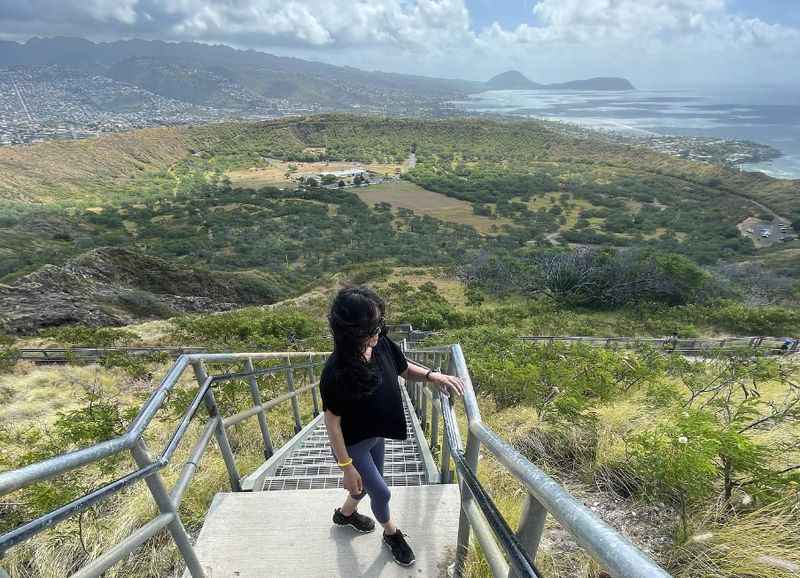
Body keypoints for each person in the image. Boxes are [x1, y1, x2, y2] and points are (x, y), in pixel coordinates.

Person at [320, 286, 464, 567]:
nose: (379, 330)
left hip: (376, 436)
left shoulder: (380, 343)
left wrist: (432, 376)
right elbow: (332, 423)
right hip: (354, 445)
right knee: (382, 492)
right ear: (350, 331)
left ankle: (345, 515)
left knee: (364, 488)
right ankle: (391, 534)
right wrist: (346, 466)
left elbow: (404, 368)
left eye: (380, 322)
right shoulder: (336, 372)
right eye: (372, 326)